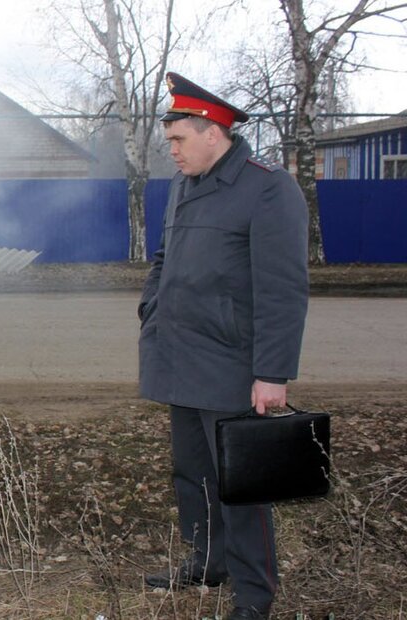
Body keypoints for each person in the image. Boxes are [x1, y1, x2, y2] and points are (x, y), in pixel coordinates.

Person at [138, 73, 309, 620]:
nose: (172, 149)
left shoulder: (267, 187)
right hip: (178, 353)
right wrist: (151, 308)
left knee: (241, 483)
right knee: (192, 472)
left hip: (232, 364)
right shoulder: (188, 182)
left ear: (214, 132)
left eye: (178, 138)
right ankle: (207, 561)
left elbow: (284, 289)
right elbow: (164, 256)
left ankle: (255, 594)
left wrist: (273, 373)